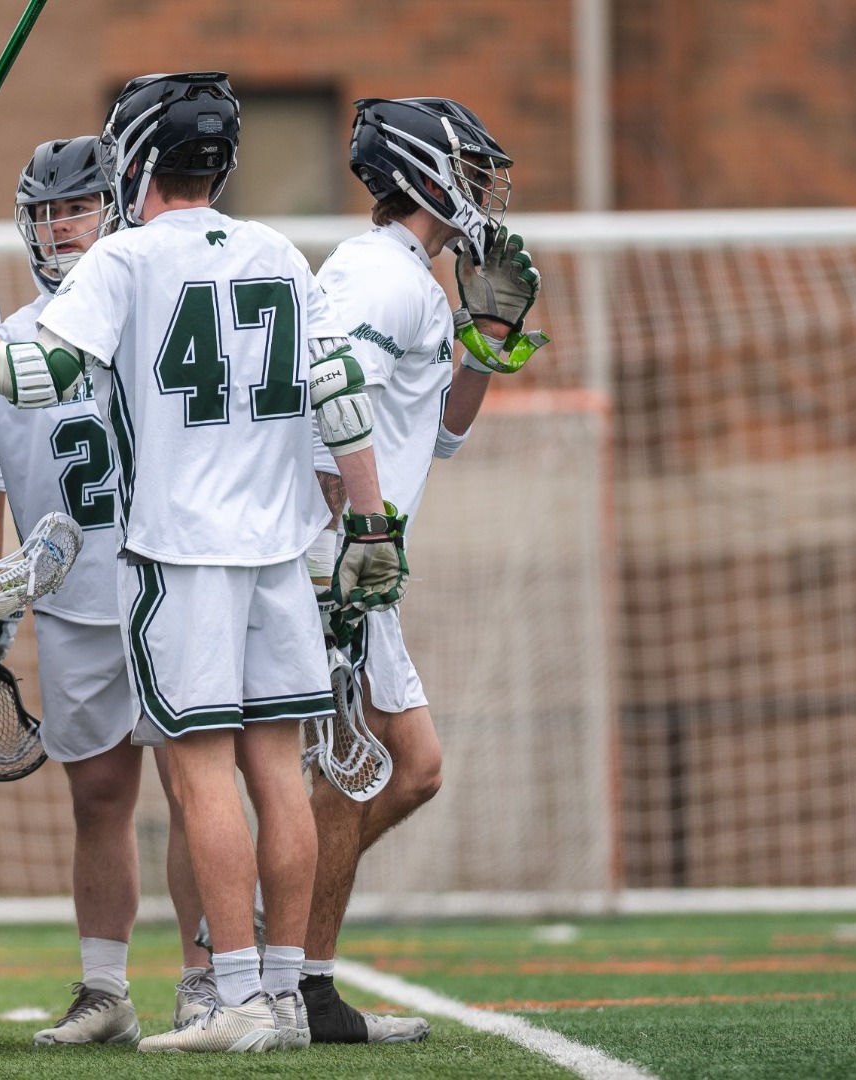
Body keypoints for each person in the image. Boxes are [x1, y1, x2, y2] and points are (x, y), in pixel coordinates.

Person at [0, 71, 410, 1053]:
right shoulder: (279, 248)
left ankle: (231, 992)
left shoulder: (128, 261)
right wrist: (371, 530)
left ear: (136, 163)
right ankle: (278, 994)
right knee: (273, 778)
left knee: (201, 784)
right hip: (277, 555)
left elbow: (33, 372)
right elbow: (341, 386)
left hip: (180, 557)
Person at [302, 96, 547, 1045]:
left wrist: (484, 339)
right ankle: (289, 967)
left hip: (359, 554)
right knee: (368, 772)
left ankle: (280, 944)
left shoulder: (408, 276)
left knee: (400, 771)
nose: (489, 187)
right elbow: (329, 396)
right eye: (474, 168)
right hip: (339, 555)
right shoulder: (377, 276)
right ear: (427, 170)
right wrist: (353, 529)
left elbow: (440, 433)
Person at [0, 135, 148, 1045]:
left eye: (79, 206)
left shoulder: (148, 315)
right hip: (71, 597)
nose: (61, 225)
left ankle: (220, 981)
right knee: (98, 798)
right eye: (48, 210)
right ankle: (105, 989)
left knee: (204, 780)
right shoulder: (3, 335)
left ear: (116, 208)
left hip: (172, 583)